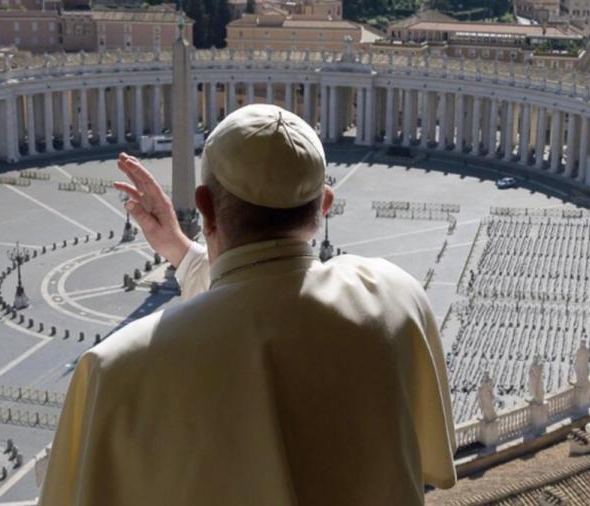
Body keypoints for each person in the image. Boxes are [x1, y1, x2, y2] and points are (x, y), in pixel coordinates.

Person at [40, 104, 456, 506]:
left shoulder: (113, 369)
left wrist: (189, 251)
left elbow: (245, 299)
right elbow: (269, 290)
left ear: (203, 204)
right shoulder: (397, 298)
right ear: (325, 205)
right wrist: (183, 253)